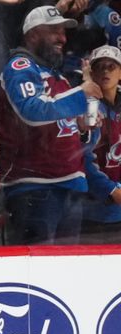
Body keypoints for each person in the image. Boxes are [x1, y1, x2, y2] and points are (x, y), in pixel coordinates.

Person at [0, 5, 102, 245]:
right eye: (55, 31)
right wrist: (80, 94)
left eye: (64, 32)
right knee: (36, 274)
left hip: (71, 186)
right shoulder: (19, 67)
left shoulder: (59, 78)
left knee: (64, 274)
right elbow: (32, 110)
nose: (63, 38)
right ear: (33, 34)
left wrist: (85, 122)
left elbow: (78, 128)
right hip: (35, 189)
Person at [81, 44, 121, 244]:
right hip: (93, 214)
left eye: (111, 66)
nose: (105, 71)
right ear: (91, 73)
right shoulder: (88, 109)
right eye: (100, 67)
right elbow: (83, 158)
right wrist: (111, 190)